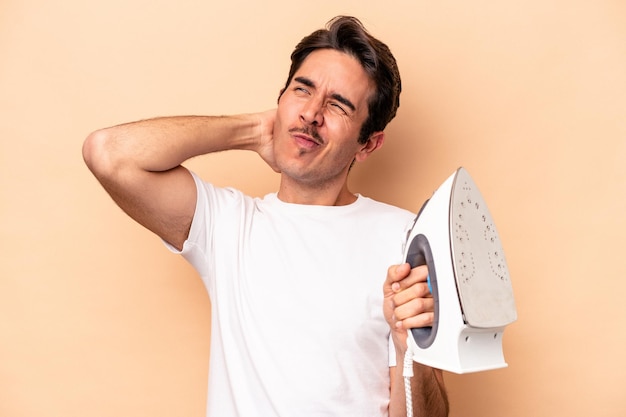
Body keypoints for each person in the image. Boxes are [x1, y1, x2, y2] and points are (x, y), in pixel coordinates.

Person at [83, 15, 449, 417]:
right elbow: (109, 153)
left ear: (368, 144)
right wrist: (255, 131)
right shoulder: (227, 225)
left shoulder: (405, 236)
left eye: (338, 105)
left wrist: (408, 345)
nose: (311, 113)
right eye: (301, 90)